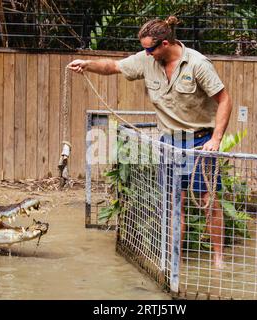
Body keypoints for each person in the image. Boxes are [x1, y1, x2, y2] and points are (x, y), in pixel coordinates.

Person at [68, 16, 232, 269]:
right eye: (145, 49)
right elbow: (113, 66)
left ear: (165, 43)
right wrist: (87, 64)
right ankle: (172, 259)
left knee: (207, 199)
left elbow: (224, 100)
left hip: (200, 141)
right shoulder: (147, 60)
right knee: (172, 202)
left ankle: (218, 258)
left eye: (150, 49)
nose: (147, 53)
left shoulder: (197, 64)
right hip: (170, 142)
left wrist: (217, 139)